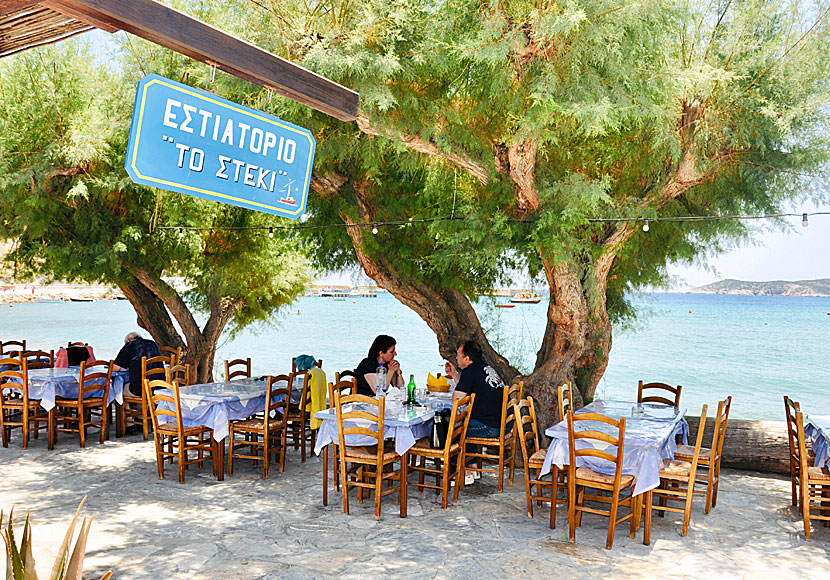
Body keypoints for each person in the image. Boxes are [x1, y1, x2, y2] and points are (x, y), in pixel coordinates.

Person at [446, 340, 506, 484]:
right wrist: (454, 374)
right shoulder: (484, 367)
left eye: (458, 355)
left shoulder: (470, 371)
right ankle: (472, 468)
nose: (456, 358)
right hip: (501, 423)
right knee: (468, 422)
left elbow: (457, 399)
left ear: (467, 359)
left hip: (490, 427)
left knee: (456, 431)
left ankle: (463, 473)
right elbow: (470, 384)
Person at [113, 331, 162, 397]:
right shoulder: (153, 344)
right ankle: (139, 406)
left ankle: (122, 406)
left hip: (140, 389)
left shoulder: (129, 345)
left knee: (118, 390)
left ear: (128, 341)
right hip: (159, 386)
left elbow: (115, 368)